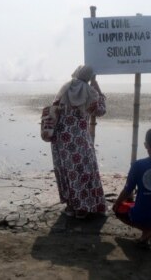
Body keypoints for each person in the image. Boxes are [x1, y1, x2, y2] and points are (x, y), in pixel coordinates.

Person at [51, 65, 107, 219]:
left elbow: (54, 108)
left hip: (61, 138)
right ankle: (83, 208)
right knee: (83, 171)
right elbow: (101, 111)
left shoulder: (64, 88)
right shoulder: (90, 92)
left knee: (67, 171)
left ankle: (71, 206)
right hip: (80, 139)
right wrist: (99, 90)